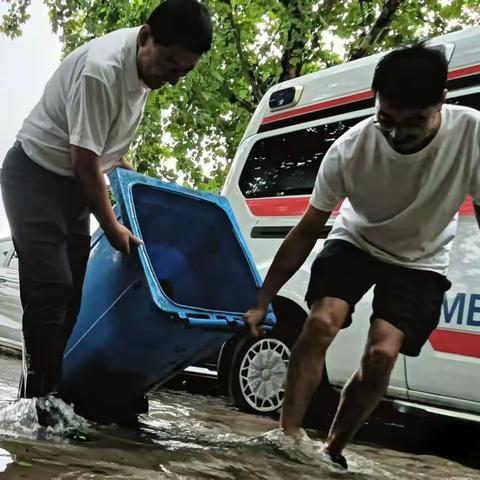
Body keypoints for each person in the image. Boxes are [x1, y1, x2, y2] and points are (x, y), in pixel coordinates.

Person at [244, 44, 480, 470]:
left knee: (381, 355)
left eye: (412, 123)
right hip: (356, 238)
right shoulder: (351, 148)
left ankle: (333, 450)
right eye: (385, 119)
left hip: (422, 258)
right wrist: (263, 298)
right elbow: (306, 231)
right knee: (320, 322)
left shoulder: (471, 134)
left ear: (441, 102)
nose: (395, 134)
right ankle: (288, 435)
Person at [0, 0, 212, 405]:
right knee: (52, 289)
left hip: (74, 185)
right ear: (146, 37)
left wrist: (137, 189)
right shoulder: (103, 70)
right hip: (33, 176)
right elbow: (86, 163)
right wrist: (113, 228)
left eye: (184, 72)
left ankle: (40, 395)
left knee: (73, 294)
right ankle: (41, 405)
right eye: (170, 65)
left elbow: (106, 151)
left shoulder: (144, 72)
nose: (173, 79)